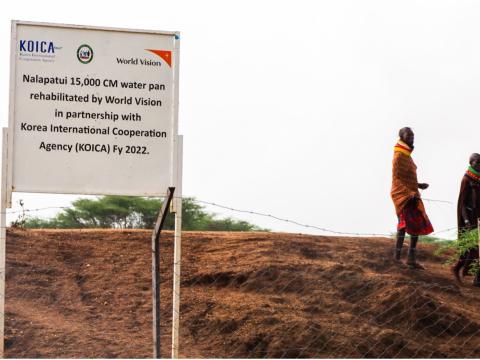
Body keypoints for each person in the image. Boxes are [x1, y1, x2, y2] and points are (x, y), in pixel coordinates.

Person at [391, 127, 434, 269]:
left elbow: (407, 178)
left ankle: (411, 259)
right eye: (408, 134)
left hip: (413, 195)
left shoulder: (407, 155)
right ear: (401, 136)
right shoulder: (398, 156)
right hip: (403, 196)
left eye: (413, 135)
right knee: (403, 226)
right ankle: (397, 258)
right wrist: (409, 194)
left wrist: (418, 185)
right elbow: (397, 179)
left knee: (417, 224)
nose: (411, 136)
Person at [451, 153, 480, 285]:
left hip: (476, 218)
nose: (479, 164)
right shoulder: (466, 179)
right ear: (471, 162)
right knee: (469, 249)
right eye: (477, 162)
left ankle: (476, 278)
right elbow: (462, 204)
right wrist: (467, 222)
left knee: (475, 250)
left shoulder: (477, 179)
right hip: (468, 219)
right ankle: (456, 269)